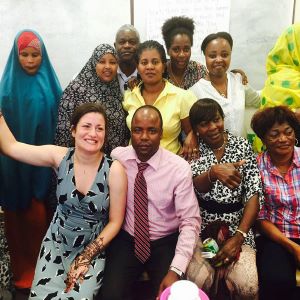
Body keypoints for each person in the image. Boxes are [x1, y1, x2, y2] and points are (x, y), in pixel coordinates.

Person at [0, 103, 127, 299]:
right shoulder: (59, 156)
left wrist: (86, 257)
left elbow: (116, 221)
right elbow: (12, 147)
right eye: (86, 126)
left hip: (91, 249)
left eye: (99, 128)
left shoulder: (114, 170)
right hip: (56, 244)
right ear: (73, 130)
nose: (93, 133)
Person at [99, 105, 201, 300]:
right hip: (127, 239)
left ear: (161, 134)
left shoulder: (178, 169)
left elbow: (190, 222)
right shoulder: (118, 157)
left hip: (165, 241)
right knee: (110, 295)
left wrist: (176, 270)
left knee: (170, 296)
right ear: (131, 132)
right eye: (138, 130)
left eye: (152, 130)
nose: (144, 137)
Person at [0, 29, 62, 295]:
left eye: (35, 54)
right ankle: (21, 271)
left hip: (41, 162)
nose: (29, 60)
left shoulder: (51, 84)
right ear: (16, 56)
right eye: (24, 54)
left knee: (40, 216)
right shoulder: (5, 88)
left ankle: (43, 271)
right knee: (15, 218)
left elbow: (61, 123)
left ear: (43, 55)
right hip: (11, 164)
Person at [186, 98, 261, 299]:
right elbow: (194, 184)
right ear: (195, 129)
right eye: (204, 124)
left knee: (248, 286)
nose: (212, 127)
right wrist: (213, 173)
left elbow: (254, 194)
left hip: (239, 228)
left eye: (216, 120)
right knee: (197, 282)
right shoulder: (192, 151)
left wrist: (238, 237)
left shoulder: (242, 146)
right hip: (203, 231)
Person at [251, 106, 300, 300]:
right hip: (276, 237)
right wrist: (294, 247)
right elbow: (260, 218)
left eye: (288, 132)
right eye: (274, 134)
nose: (283, 139)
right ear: (263, 139)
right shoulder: (256, 167)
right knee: (276, 280)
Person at [123, 40, 197, 158]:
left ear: (163, 66)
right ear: (138, 67)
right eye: (144, 62)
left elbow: (194, 130)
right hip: (134, 165)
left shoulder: (182, 97)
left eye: (155, 62)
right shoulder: (129, 96)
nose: (150, 67)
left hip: (169, 166)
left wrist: (192, 135)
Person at [55, 43, 128, 155]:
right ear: (94, 63)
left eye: (112, 62)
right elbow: (63, 130)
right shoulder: (75, 90)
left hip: (114, 161)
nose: (108, 66)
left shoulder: (118, 90)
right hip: (82, 160)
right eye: (102, 61)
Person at [189, 32, 260, 137]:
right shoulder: (195, 91)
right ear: (205, 56)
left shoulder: (239, 80)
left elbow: (257, 101)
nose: (219, 60)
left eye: (224, 55)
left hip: (243, 149)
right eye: (212, 56)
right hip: (213, 152)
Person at [161, 16, 207, 90]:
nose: (182, 54)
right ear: (167, 50)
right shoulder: (161, 72)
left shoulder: (200, 71)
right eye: (176, 49)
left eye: (186, 49)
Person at [114, 24, 140, 94]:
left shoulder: (146, 72)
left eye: (132, 42)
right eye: (122, 42)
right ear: (115, 46)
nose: (127, 46)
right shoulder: (109, 72)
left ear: (139, 45)